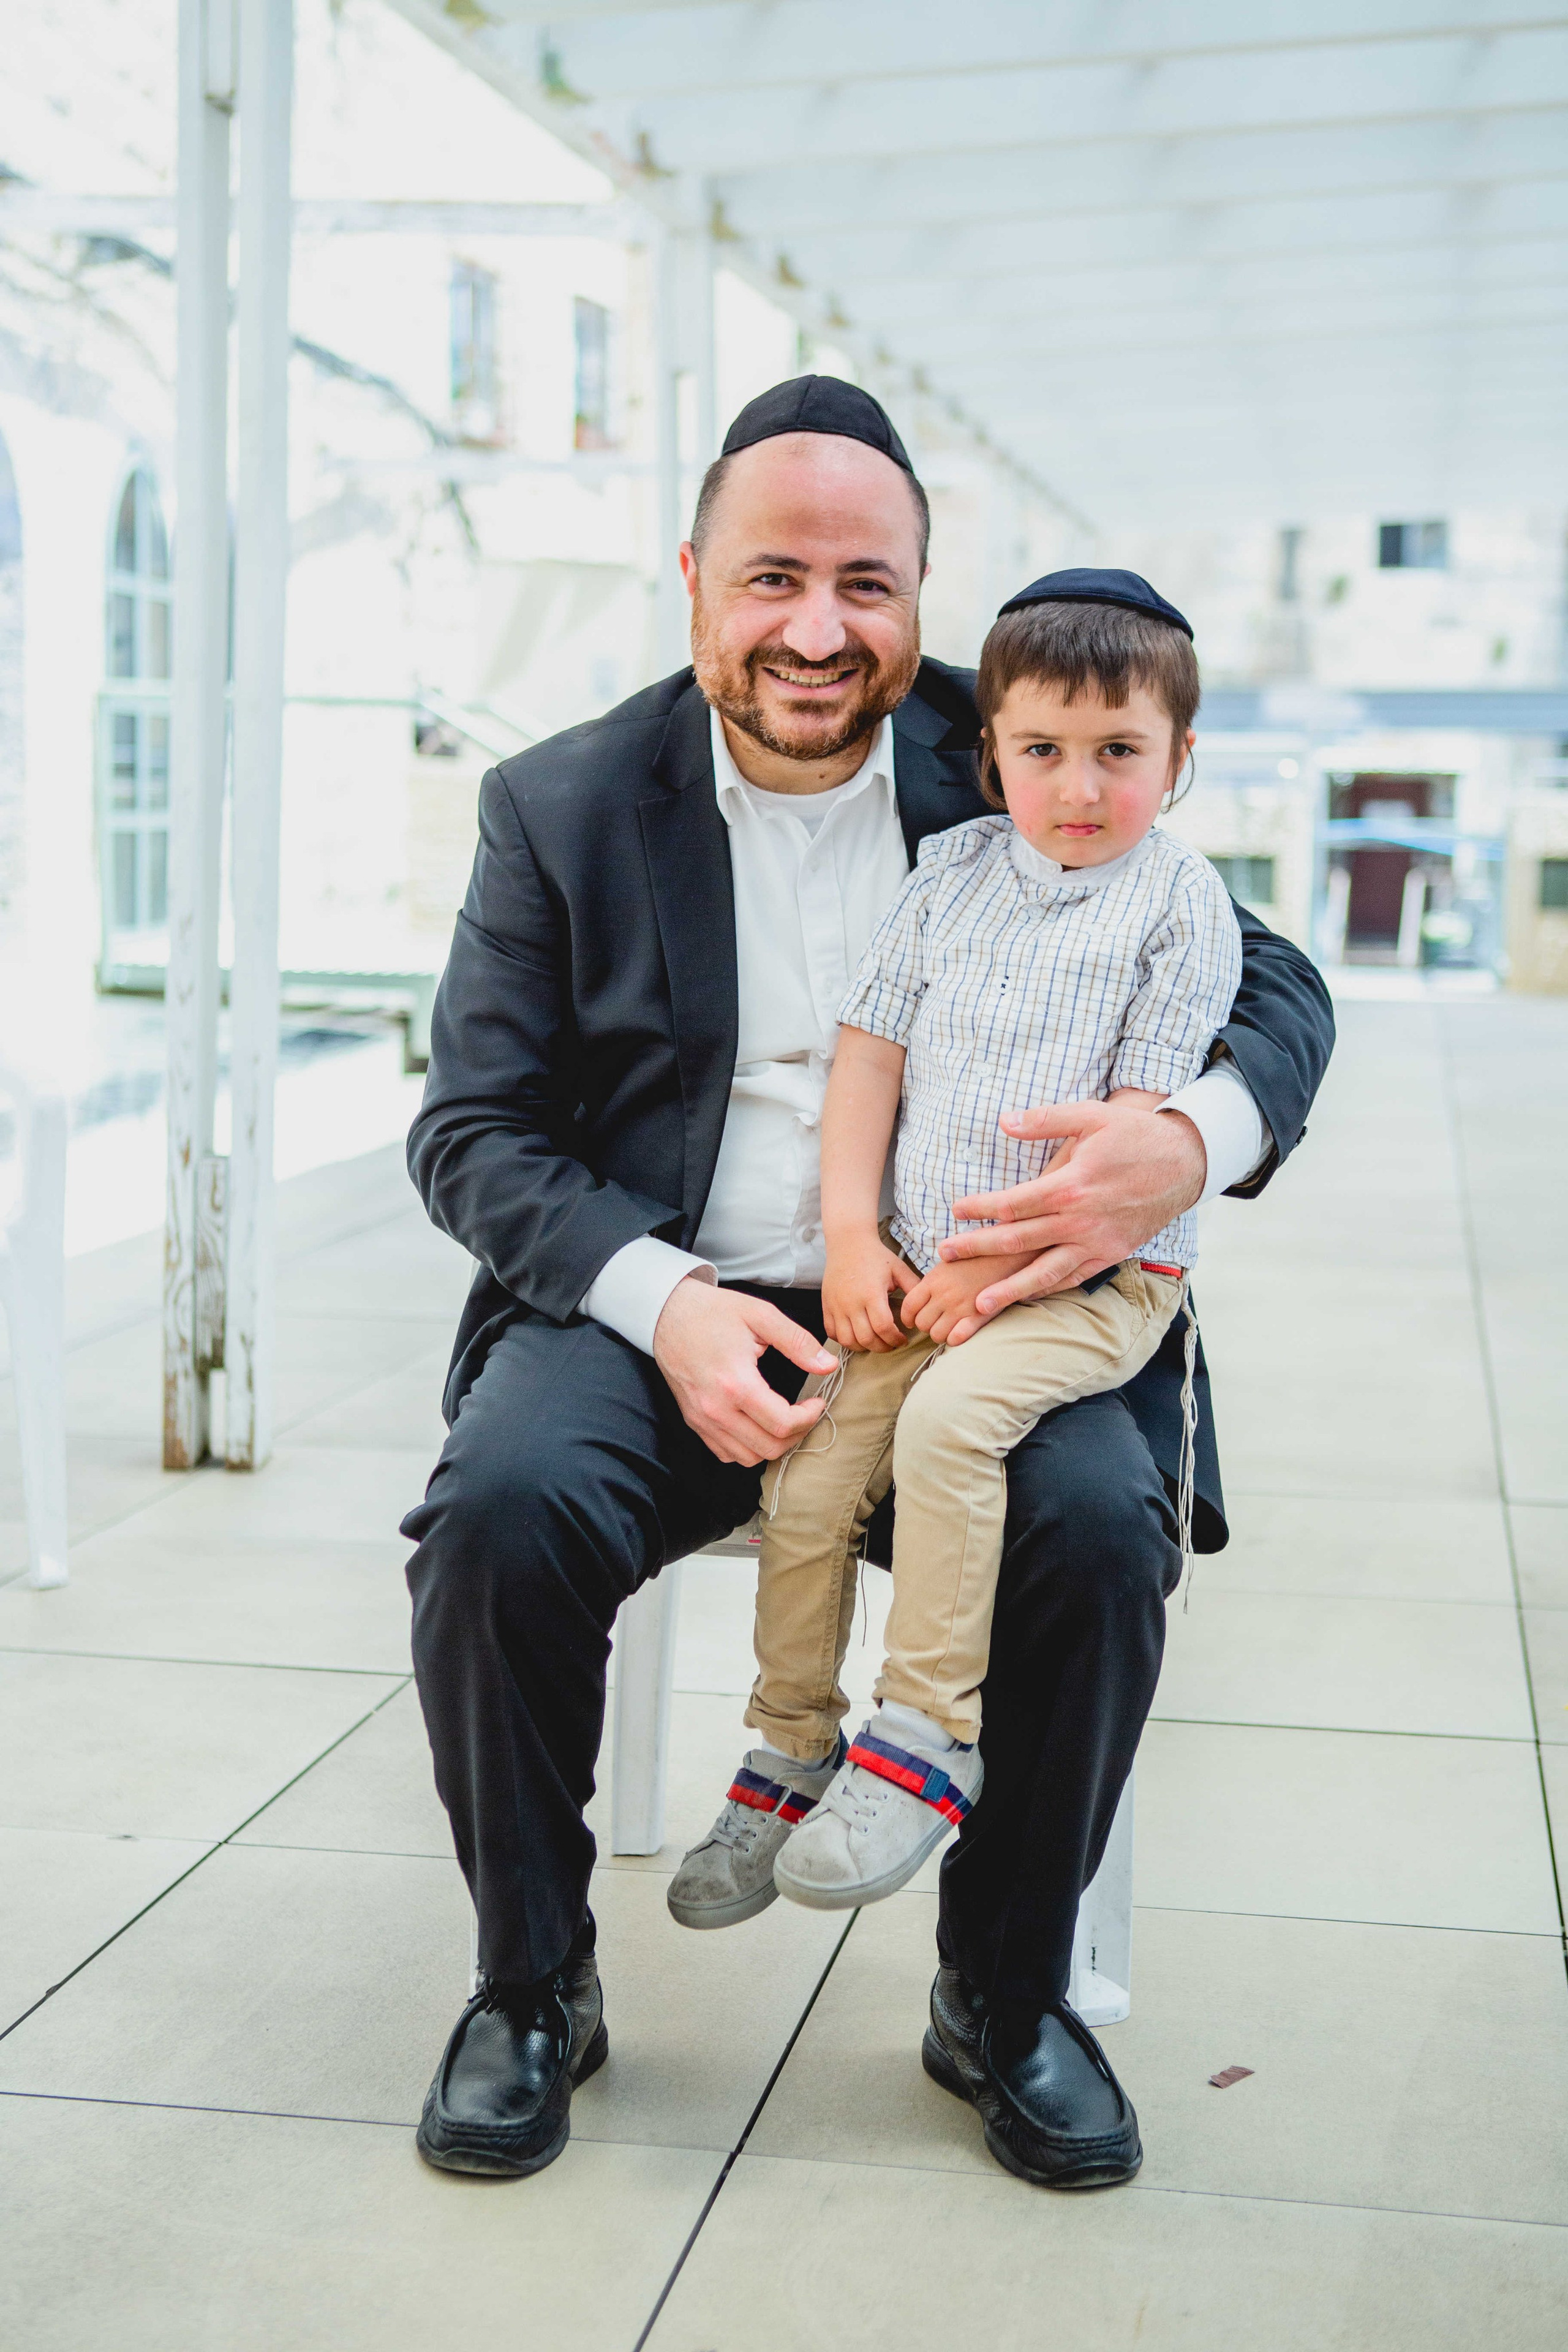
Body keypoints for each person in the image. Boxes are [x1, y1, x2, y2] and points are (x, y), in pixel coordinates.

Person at [400, 375, 1334, 2188]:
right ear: (695, 581)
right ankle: (531, 1983)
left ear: (919, 594)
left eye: (865, 584)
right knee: (499, 1513)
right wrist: (664, 1302)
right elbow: (476, 1131)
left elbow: (1275, 980)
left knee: (1094, 1524)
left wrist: (1190, 1134)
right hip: (671, 1298)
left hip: (973, 1304)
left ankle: (1003, 1992)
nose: (818, 632)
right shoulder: (559, 801)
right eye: (772, 578)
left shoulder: (1039, 740)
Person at [667, 575, 1241, 1924]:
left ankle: (924, 1736)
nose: (1079, 788)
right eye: (1042, 749)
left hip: (1083, 1282)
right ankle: (789, 1746)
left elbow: (1126, 1142)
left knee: (947, 1430)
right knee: (809, 1477)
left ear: (1179, 757)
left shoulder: (1179, 904)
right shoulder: (952, 875)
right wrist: (853, 1237)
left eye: (1119, 752)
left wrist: (989, 1271)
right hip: (921, 1269)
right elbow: (869, 1057)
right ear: (992, 752)